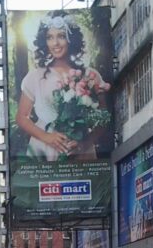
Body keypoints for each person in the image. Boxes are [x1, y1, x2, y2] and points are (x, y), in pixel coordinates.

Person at [15, 11, 109, 161]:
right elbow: (21, 117)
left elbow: (104, 118)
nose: (55, 43)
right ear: (44, 42)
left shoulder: (90, 74)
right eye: (50, 37)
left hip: (80, 151)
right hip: (44, 148)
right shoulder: (35, 76)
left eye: (61, 36)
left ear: (71, 39)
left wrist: (84, 143)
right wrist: (47, 137)